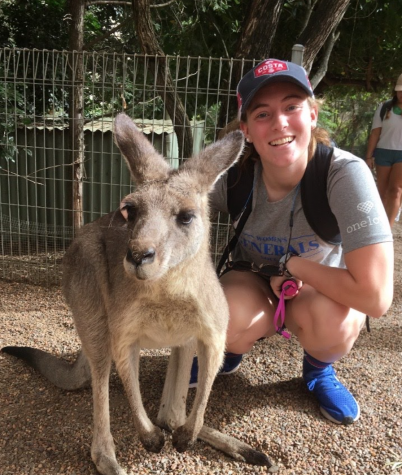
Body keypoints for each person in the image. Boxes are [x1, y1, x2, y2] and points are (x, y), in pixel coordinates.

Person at [189, 59, 394, 426]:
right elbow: (177, 192)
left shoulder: (343, 174)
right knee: (220, 320)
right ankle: (228, 350)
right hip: (249, 277)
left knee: (338, 324)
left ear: (312, 114)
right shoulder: (235, 175)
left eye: (292, 107)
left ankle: (318, 371)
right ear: (246, 130)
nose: (280, 122)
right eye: (263, 113)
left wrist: (295, 267)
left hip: (316, 285)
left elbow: (376, 299)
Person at [365, 74, 402, 226]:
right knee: (382, 192)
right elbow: (375, 133)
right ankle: (377, 225)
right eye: (400, 91)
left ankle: (388, 228)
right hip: (383, 153)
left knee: (395, 191)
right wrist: (368, 157)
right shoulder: (385, 107)